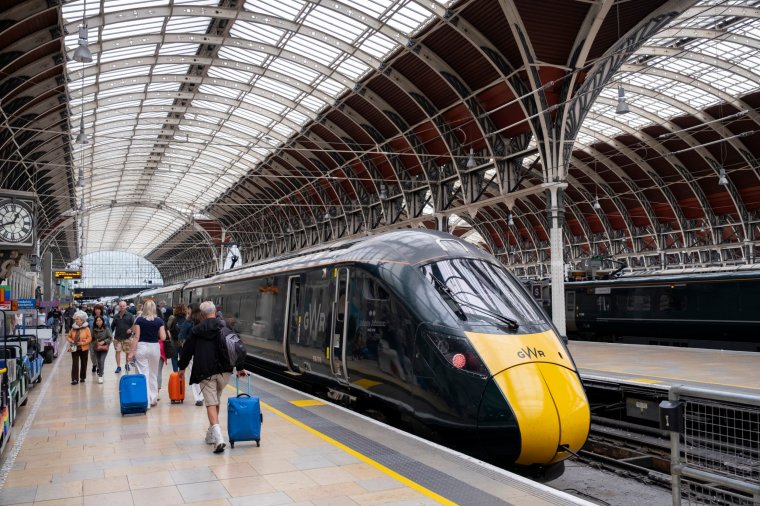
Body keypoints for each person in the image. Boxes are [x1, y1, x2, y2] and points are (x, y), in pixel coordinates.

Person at [178, 300, 237, 453]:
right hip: (225, 371)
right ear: (215, 312)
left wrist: (181, 368)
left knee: (210, 403)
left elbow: (187, 351)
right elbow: (236, 346)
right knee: (216, 400)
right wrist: (240, 367)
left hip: (206, 371)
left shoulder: (197, 330)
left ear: (202, 314)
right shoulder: (225, 326)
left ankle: (218, 438)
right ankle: (211, 434)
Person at [128, 299, 165, 408]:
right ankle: (153, 398)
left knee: (143, 374)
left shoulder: (139, 320)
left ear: (144, 308)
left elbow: (136, 337)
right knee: (153, 373)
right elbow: (163, 337)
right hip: (154, 347)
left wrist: (131, 352)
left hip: (142, 347)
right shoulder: (159, 321)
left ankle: (146, 400)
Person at [178, 303, 205, 406]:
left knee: (193, 373)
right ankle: (203, 394)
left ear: (190, 309)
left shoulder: (188, 321)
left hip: (191, 351)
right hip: (203, 351)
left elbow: (181, 336)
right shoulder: (204, 321)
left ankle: (199, 398)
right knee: (202, 373)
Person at [66, 310, 92, 385]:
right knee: (75, 363)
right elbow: (68, 336)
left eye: (78, 319)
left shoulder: (87, 329)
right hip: (74, 347)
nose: (77, 320)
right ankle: (74, 379)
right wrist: (71, 341)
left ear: (82, 320)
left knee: (84, 363)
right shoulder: (73, 328)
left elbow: (89, 338)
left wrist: (83, 343)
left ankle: (82, 377)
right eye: (76, 319)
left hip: (84, 348)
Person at [111, 300, 135, 373]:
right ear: (119, 307)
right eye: (121, 306)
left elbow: (134, 325)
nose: (122, 307)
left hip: (127, 337)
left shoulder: (130, 315)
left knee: (127, 352)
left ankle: (127, 364)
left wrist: (131, 330)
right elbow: (112, 327)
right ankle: (118, 367)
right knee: (117, 351)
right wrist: (109, 336)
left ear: (126, 306)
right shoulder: (116, 316)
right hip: (117, 338)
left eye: (123, 306)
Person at [88, 304, 110, 373]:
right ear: (94, 310)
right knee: (92, 354)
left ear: (101, 310)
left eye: (99, 309)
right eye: (96, 309)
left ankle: (98, 367)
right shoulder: (90, 318)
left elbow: (109, 328)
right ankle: (94, 364)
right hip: (93, 339)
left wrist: (108, 340)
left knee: (100, 355)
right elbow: (87, 328)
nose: (97, 311)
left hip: (102, 340)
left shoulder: (105, 318)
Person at [91, 315, 112, 384]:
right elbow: (91, 338)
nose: (98, 322)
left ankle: (100, 375)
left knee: (101, 360)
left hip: (104, 348)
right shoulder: (93, 329)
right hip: (96, 347)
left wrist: (104, 341)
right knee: (98, 361)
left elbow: (110, 338)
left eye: (100, 320)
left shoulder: (106, 329)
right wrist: (96, 343)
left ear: (102, 321)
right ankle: (101, 371)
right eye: (97, 320)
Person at [166, 303, 185, 372]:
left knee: (174, 358)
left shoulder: (172, 317)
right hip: (184, 342)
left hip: (174, 341)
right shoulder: (187, 318)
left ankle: (176, 373)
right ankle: (182, 373)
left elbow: (167, 327)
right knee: (183, 358)